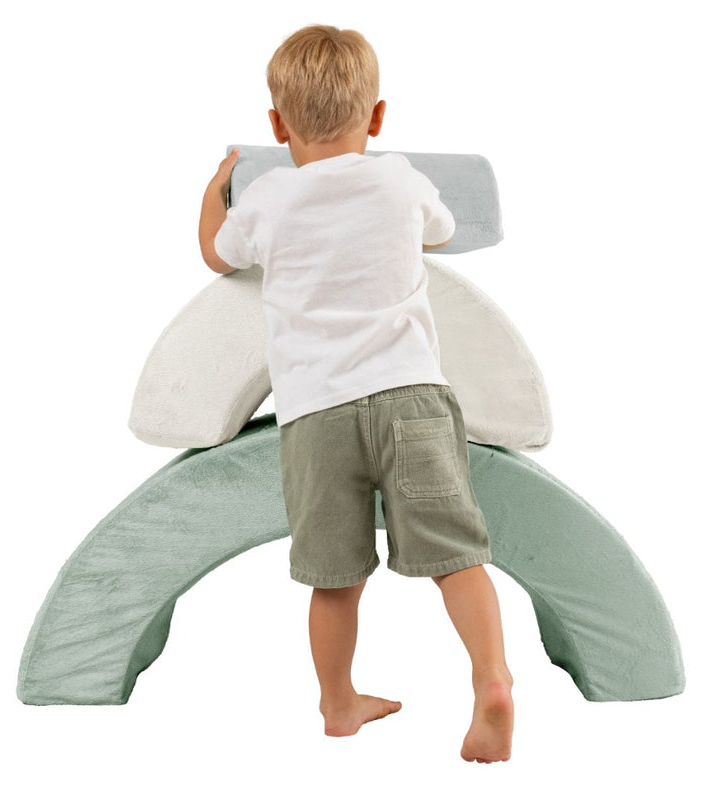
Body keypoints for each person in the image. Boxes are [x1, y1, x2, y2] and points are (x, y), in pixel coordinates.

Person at [197, 24, 514, 764]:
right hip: (409, 397)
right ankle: (492, 678)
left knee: (333, 578)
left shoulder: (268, 199)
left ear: (278, 127)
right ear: (376, 118)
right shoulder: (400, 179)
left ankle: (339, 705)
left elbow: (216, 254)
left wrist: (217, 184)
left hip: (316, 414)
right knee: (457, 556)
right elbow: (437, 232)